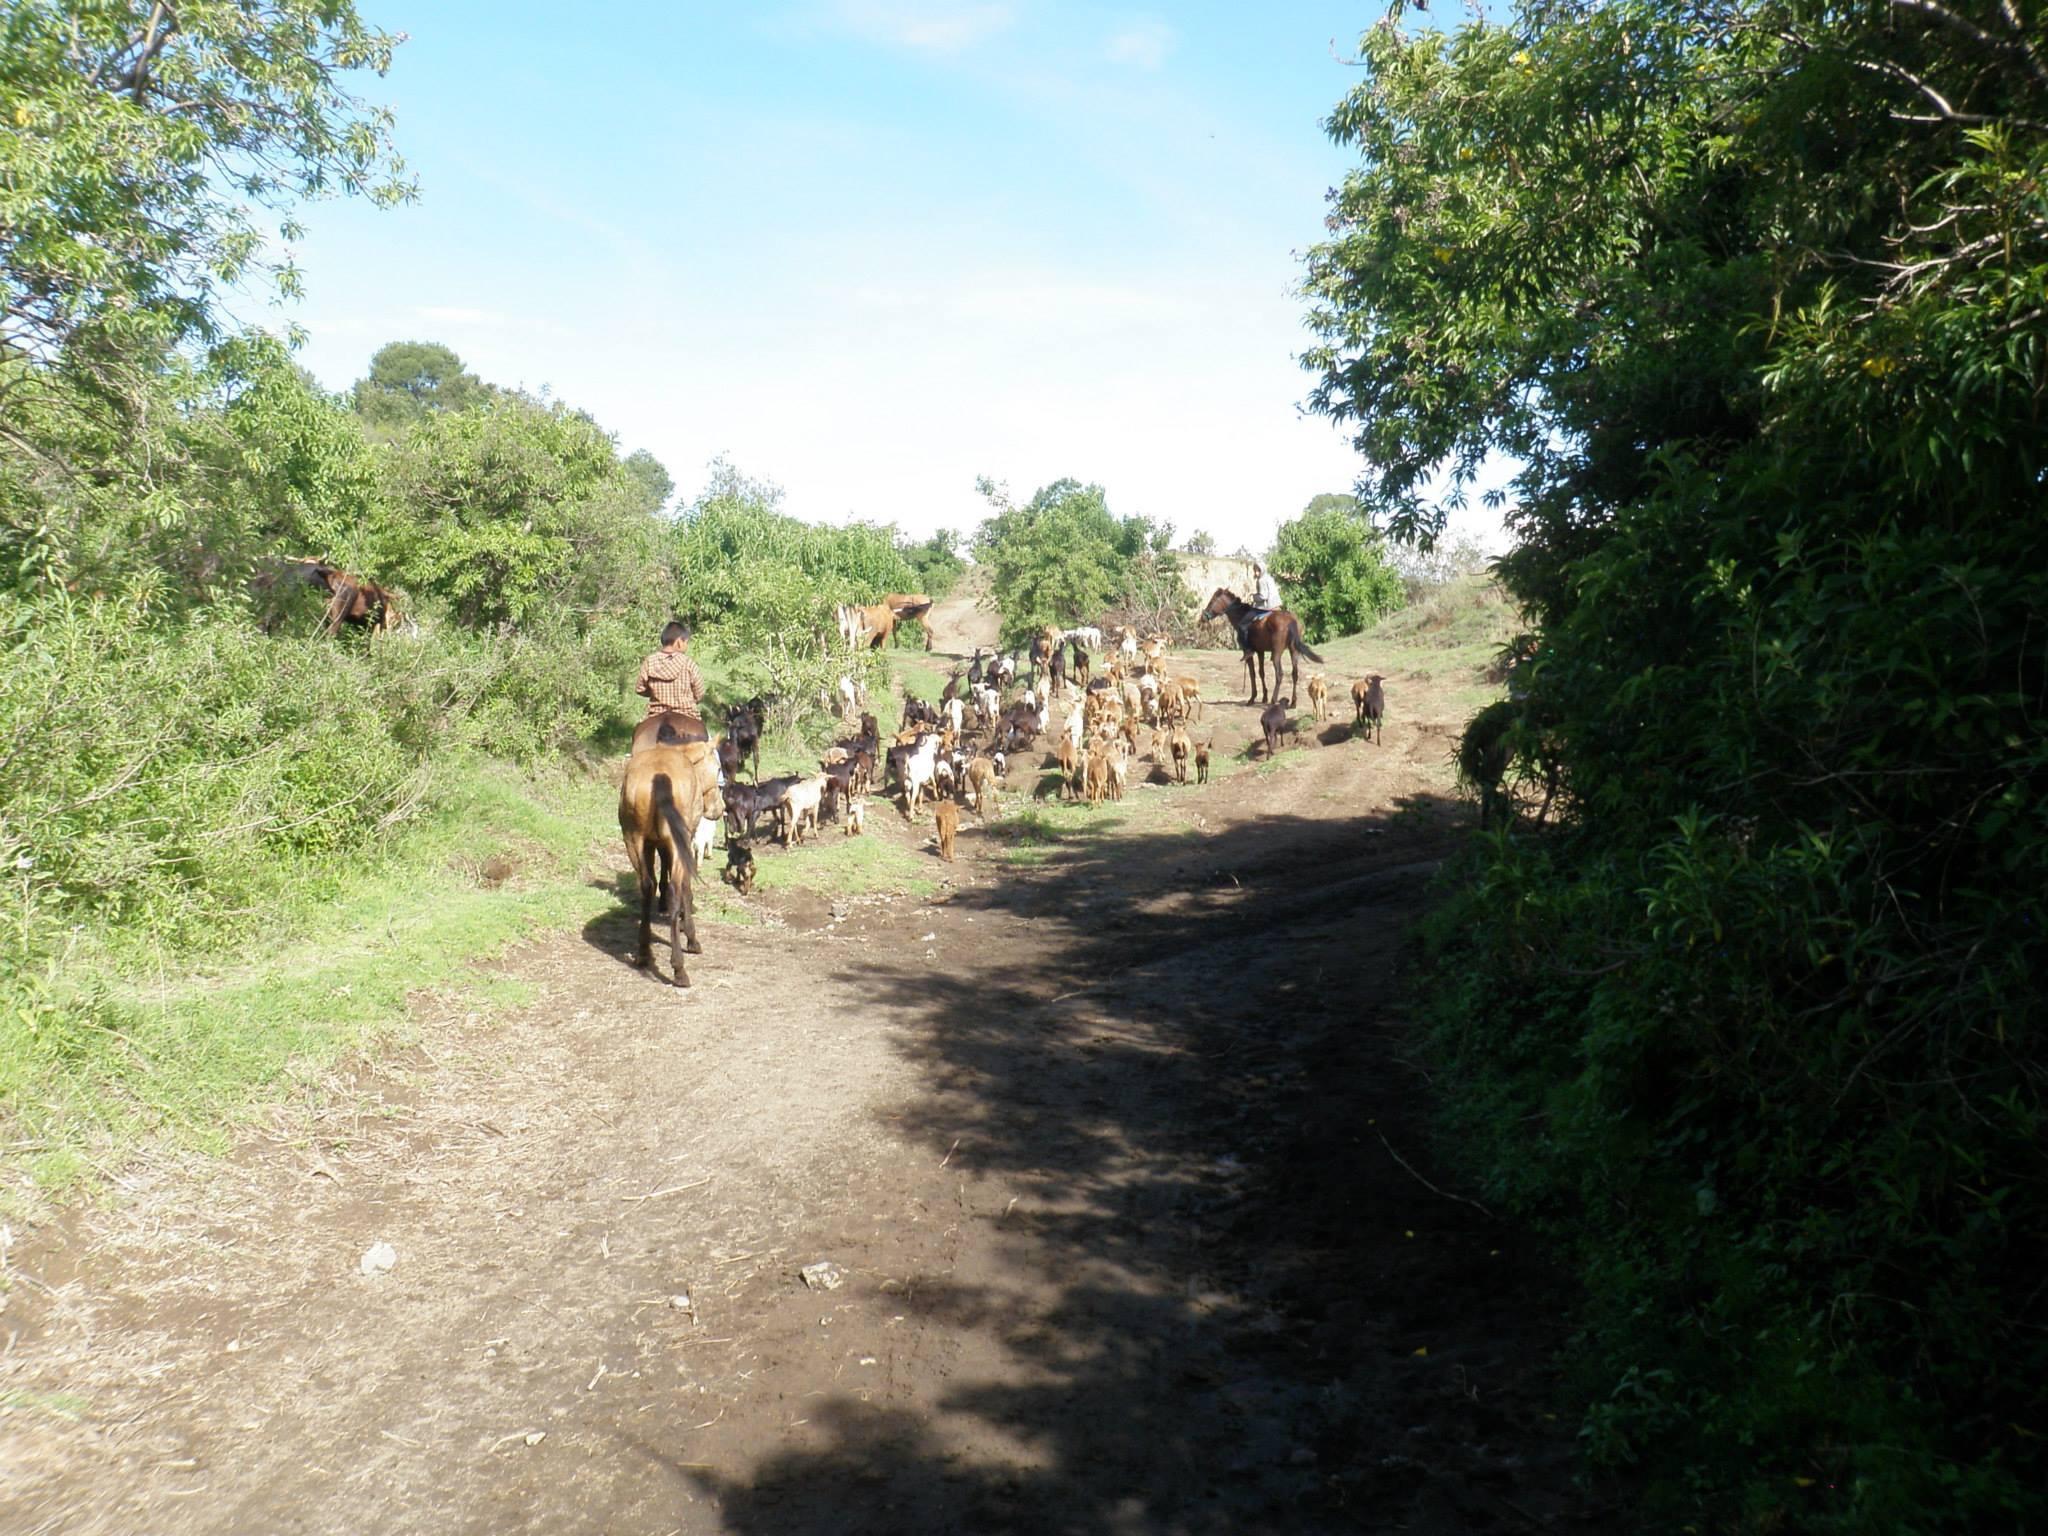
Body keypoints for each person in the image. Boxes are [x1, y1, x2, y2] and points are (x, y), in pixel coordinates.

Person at [632, 618, 708, 749]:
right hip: (687, 714)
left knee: (636, 742)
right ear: (679, 642)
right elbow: (700, 693)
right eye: (686, 642)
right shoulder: (688, 663)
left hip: (655, 713)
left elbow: (639, 688)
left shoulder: (649, 661)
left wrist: (653, 691)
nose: (686, 646)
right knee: (712, 754)